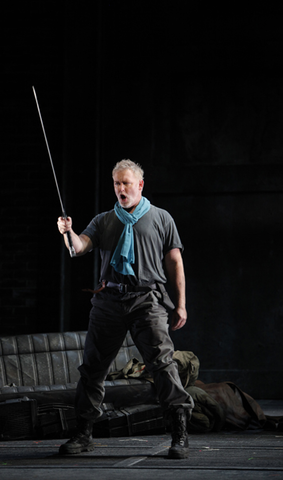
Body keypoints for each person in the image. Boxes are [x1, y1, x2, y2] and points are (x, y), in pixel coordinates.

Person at [57, 159, 194, 459]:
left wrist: (180, 304)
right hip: (109, 301)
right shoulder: (104, 220)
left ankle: (179, 434)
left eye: (126, 183)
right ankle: (83, 434)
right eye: (117, 183)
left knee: (162, 365)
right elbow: (78, 247)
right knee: (92, 369)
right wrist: (68, 232)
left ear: (140, 185)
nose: (121, 188)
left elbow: (175, 263)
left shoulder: (161, 218)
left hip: (147, 301)